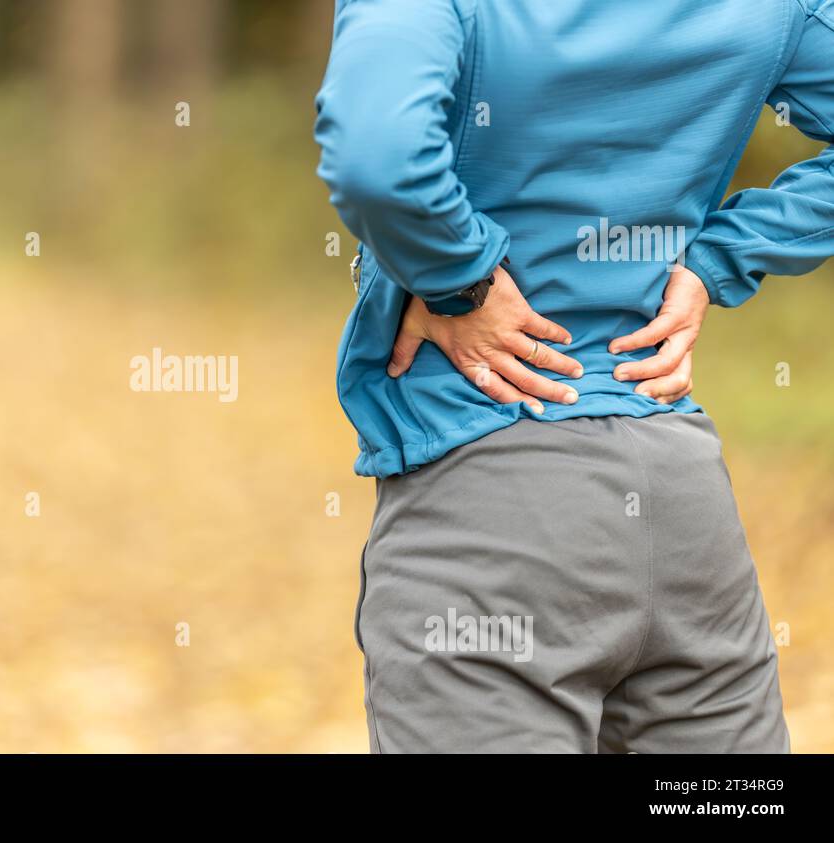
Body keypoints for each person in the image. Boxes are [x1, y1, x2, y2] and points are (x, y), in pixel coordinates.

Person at [314, 0, 833, 752]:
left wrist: (460, 279)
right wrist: (716, 260)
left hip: (486, 501)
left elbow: (375, 155)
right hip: (688, 509)